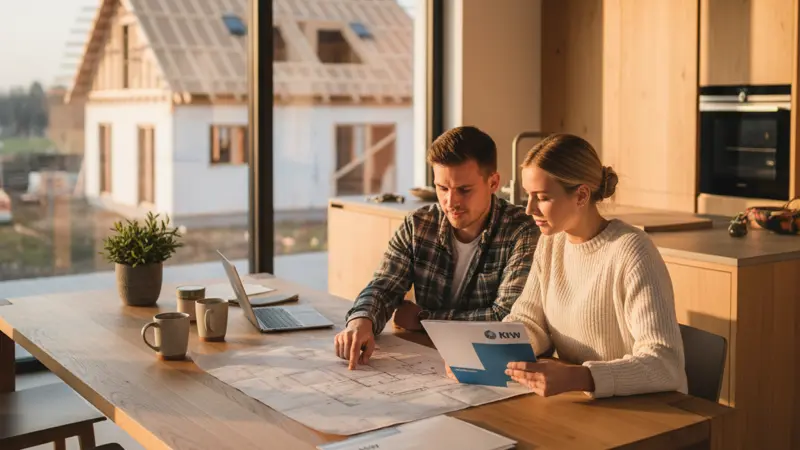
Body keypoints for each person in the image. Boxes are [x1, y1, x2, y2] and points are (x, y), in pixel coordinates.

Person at [334, 126, 540, 369]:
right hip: (429, 359)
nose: (451, 202)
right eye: (442, 189)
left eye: (464, 190)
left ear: (493, 182)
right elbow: (383, 287)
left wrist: (422, 319)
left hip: (491, 366)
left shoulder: (522, 231)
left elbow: (504, 319)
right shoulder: (419, 224)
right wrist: (361, 320)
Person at [501, 133, 687, 398]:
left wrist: (582, 377)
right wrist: (483, 351)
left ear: (581, 195)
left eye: (541, 197)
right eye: (527, 196)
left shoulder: (632, 251)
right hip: (585, 404)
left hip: (646, 410)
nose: (529, 209)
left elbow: (665, 365)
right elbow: (530, 322)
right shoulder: (551, 244)